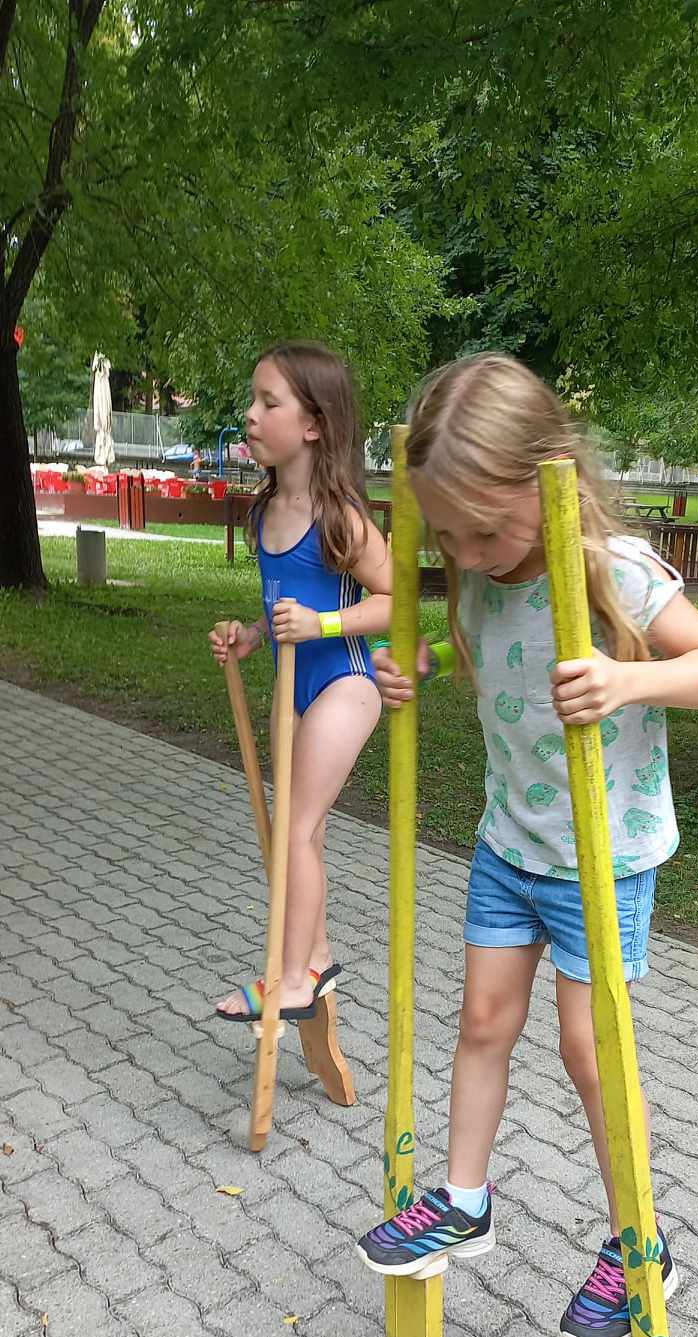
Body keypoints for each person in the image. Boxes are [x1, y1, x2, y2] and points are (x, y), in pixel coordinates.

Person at [357, 353, 698, 1337]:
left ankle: (639, 1244)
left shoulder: (614, 572)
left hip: (601, 858)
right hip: (509, 846)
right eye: (446, 534)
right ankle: (463, 1201)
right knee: (482, 1021)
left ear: (547, 480)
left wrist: (629, 682)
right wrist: (416, 664)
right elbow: (493, 661)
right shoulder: (480, 578)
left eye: (483, 530)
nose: (467, 553)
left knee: (589, 1051)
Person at [209, 341, 391, 1020]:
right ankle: (315, 958)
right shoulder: (263, 512)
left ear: (313, 424)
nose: (251, 416)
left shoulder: (340, 516)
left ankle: (290, 980)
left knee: (295, 826)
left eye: (269, 403)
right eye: (252, 401)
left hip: (346, 682)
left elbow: (398, 603)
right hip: (292, 685)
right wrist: (253, 635)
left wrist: (322, 623)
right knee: (301, 834)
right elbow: (281, 601)